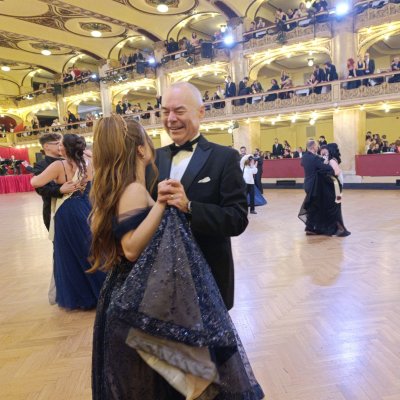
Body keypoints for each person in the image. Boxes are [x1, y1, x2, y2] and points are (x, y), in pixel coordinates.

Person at [90, 115, 264, 399]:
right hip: (140, 301)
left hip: (141, 297)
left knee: (172, 382)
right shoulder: (134, 189)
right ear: (140, 149)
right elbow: (131, 249)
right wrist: (161, 204)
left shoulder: (129, 186)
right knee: (177, 382)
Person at [150, 82, 248, 311]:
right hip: (161, 277)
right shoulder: (153, 159)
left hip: (208, 275)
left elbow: (237, 219)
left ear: (201, 112)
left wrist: (190, 207)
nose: (171, 119)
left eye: (179, 111)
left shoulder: (225, 158)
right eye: (165, 112)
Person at [31, 134, 106, 309]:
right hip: (86, 208)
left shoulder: (59, 165)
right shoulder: (88, 162)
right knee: (90, 250)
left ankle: (80, 296)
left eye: (61, 144)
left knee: (69, 254)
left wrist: (60, 187)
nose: (59, 147)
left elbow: (35, 182)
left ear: (65, 148)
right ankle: (102, 291)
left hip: (67, 211)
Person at [298, 140, 351, 237]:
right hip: (315, 186)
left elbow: (310, 166)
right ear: (313, 147)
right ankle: (334, 228)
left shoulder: (305, 157)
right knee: (322, 206)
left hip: (307, 184)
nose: (318, 148)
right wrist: (327, 164)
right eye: (317, 146)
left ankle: (311, 228)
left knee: (314, 207)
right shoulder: (315, 158)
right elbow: (329, 169)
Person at [25, 133, 76, 230]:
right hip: (53, 210)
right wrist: (59, 190)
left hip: (75, 208)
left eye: (62, 143)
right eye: (57, 143)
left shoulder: (70, 161)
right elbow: (41, 189)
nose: (61, 146)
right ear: (46, 146)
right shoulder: (41, 165)